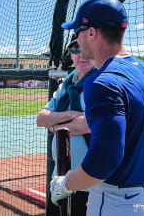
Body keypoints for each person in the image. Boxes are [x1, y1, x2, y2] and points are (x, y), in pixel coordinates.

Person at [50, 0, 144, 215]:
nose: (76, 39)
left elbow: (105, 161)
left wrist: (65, 183)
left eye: (78, 31)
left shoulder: (102, 82)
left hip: (120, 202)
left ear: (91, 32)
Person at [37, 35, 96, 215]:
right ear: (71, 54)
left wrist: (56, 126)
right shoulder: (68, 83)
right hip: (60, 180)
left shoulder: (101, 80)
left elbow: (92, 123)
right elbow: (41, 118)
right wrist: (71, 115)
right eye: (75, 50)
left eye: (86, 49)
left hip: (90, 184)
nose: (81, 55)